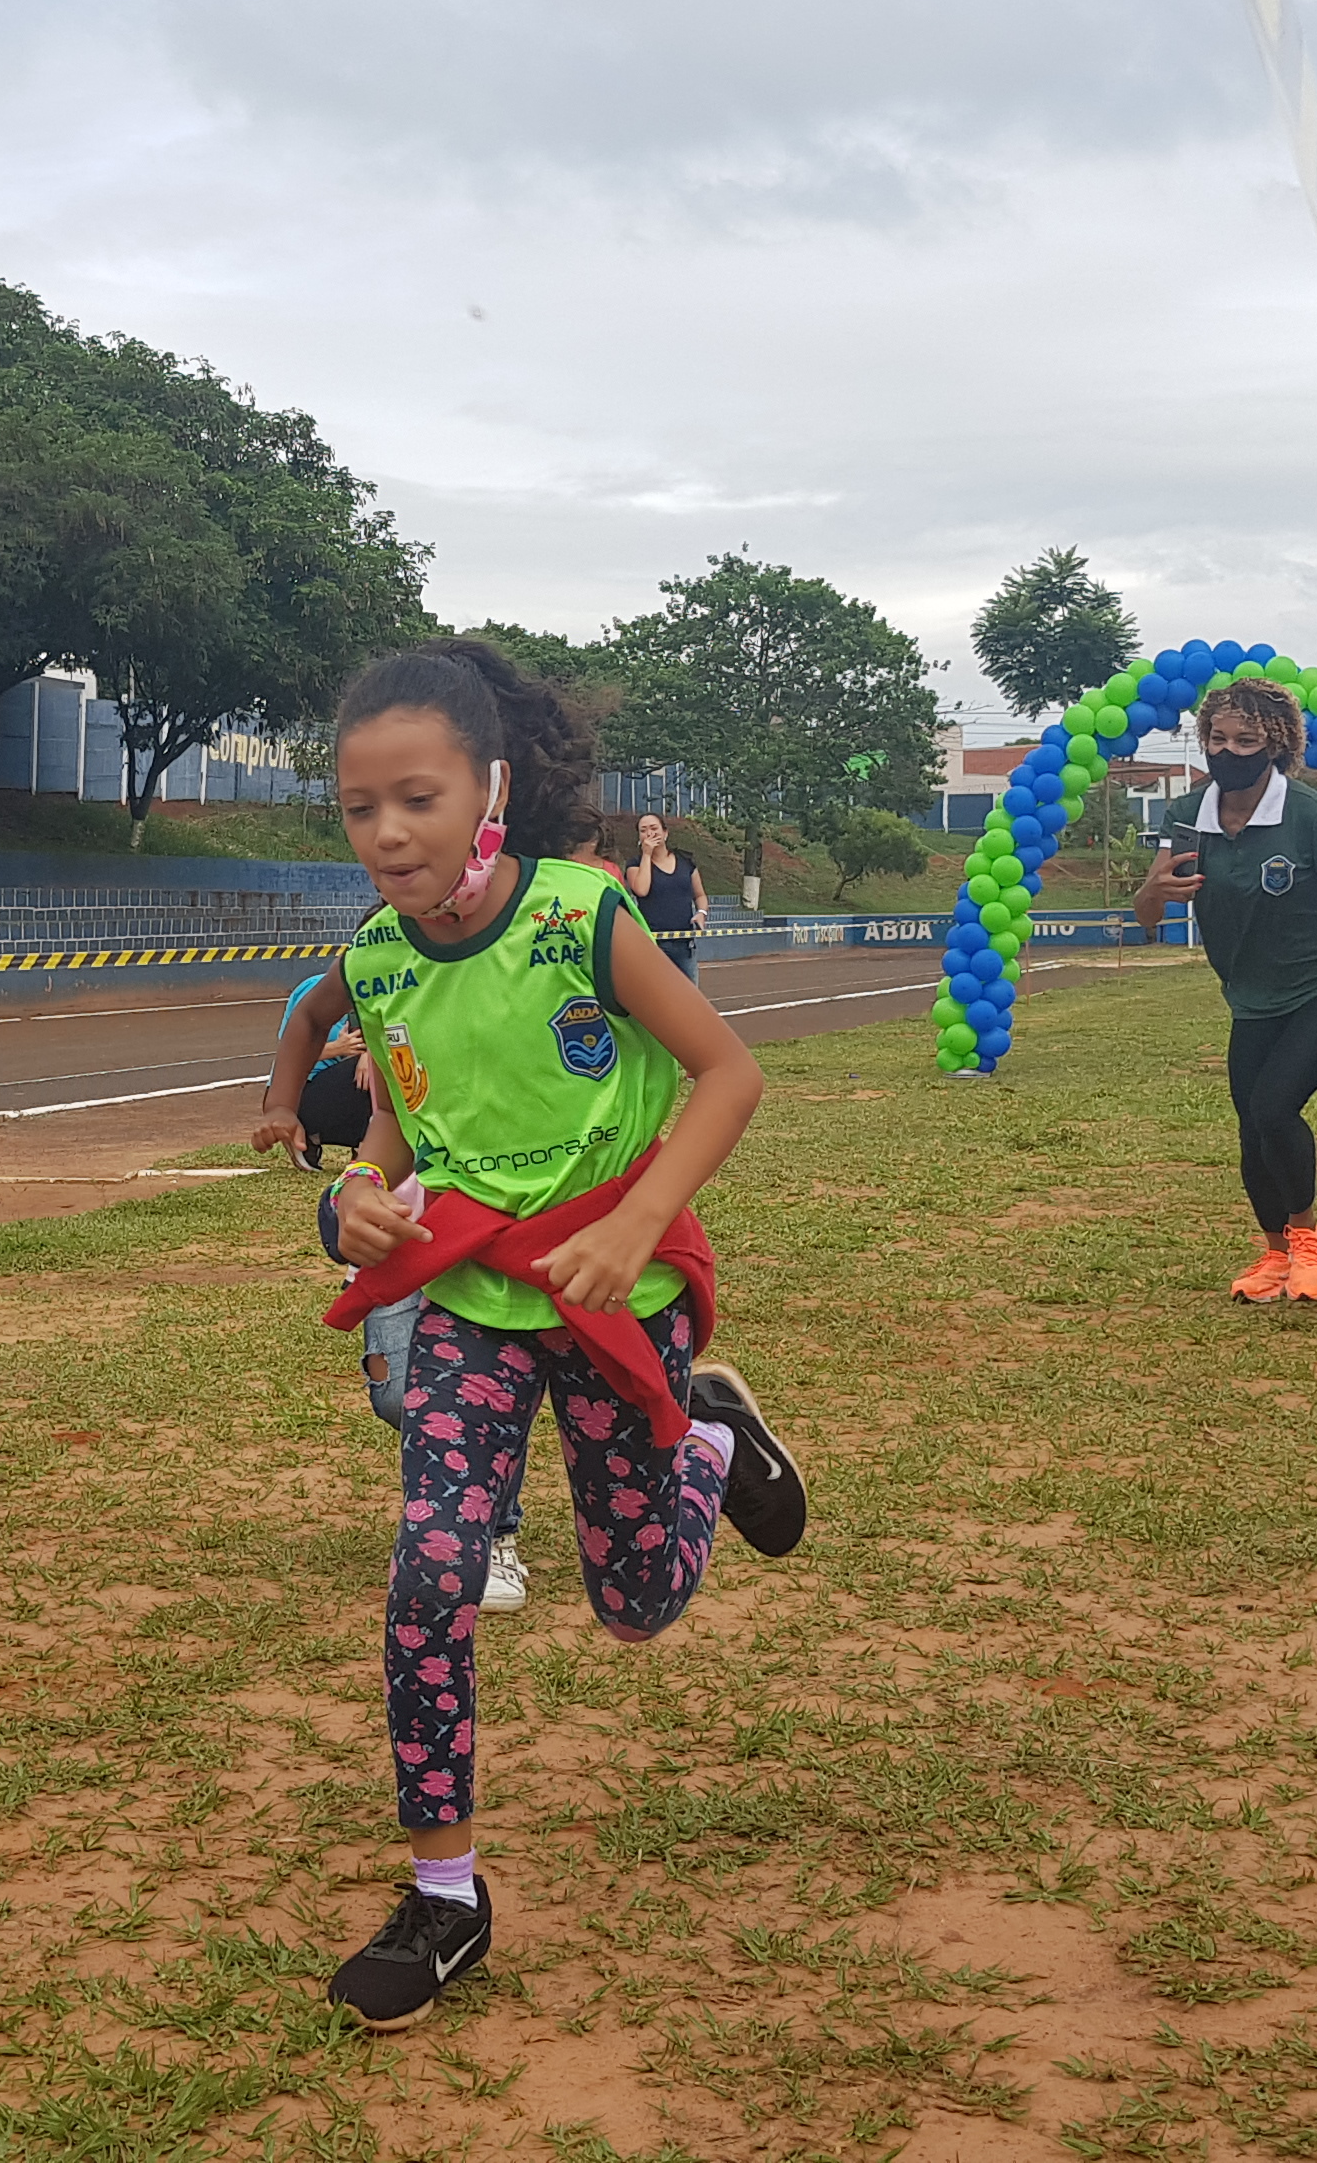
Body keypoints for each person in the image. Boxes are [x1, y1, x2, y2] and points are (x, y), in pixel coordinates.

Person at [314, 637, 804, 2032]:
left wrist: (638, 1227)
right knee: (429, 1582)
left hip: (614, 1295)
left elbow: (728, 1072)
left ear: (491, 790)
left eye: (417, 797)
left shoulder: (581, 917)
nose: (389, 833)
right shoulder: (375, 964)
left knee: (638, 1606)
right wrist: (367, 1199)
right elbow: (400, 1143)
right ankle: (447, 1900)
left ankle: (711, 1430)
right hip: (471, 1307)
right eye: (360, 809)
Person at [258, 965, 531, 1611]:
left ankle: (490, 1534)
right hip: (399, 1253)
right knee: (395, 1396)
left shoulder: (492, 1012)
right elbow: (375, 1134)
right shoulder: (385, 1007)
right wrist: (347, 1197)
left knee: (482, 1394)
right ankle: (461, 1493)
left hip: (473, 1247)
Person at [1131, 676, 1317, 1304]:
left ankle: (1307, 1244)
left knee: (1275, 1109)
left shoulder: (1308, 813)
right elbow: (1147, 916)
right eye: (1217, 738)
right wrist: (1150, 895)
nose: (1229, 751)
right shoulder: (1186, 817)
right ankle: (1275, 1256)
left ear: (1276, 744)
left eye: (1246, 739)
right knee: (1250, 1126)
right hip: (1250, 994)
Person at [625, 811, 705, 981]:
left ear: (665, 832)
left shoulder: (685, 862)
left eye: (654, 828)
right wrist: (646, 855)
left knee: (690, 996)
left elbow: (700, 895)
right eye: (643, 830)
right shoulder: (635, 864)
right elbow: (641, 890)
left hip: (684, 943)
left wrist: (701, 913)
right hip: (652, 944)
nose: (649, 834)